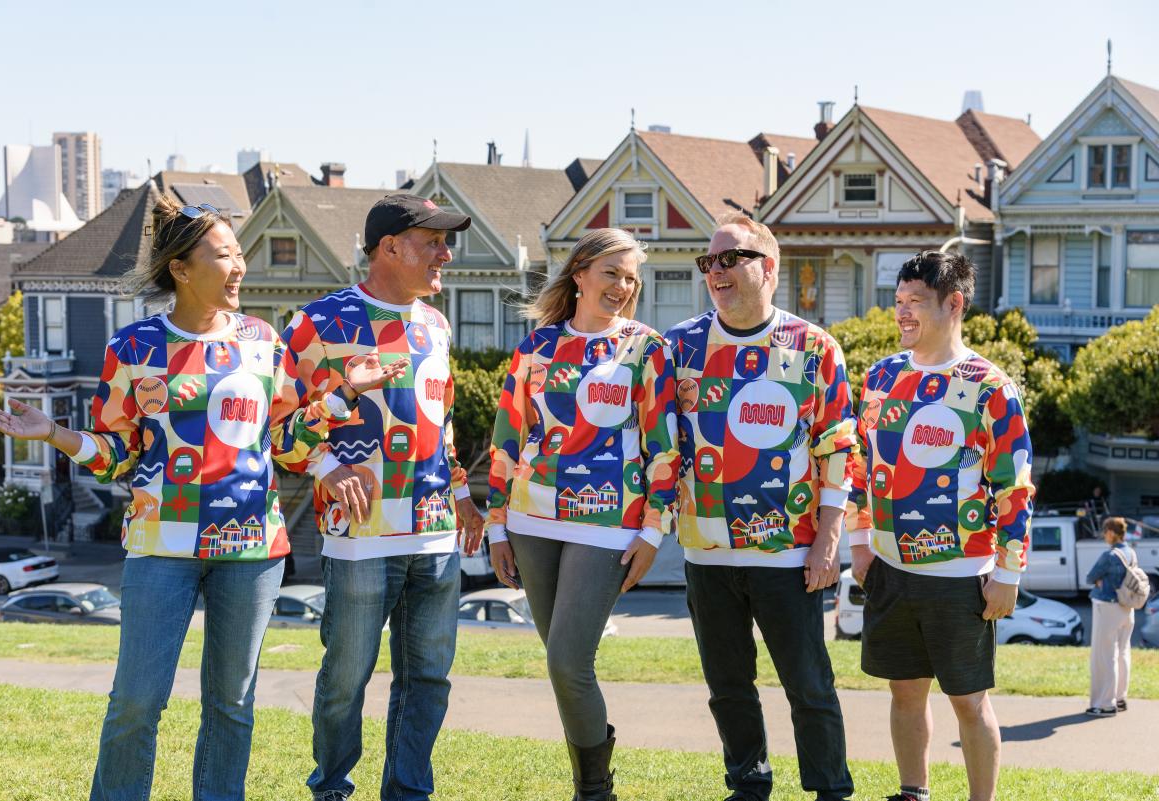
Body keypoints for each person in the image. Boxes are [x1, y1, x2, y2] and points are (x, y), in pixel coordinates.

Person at [0, 196, 369, 801]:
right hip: (161, 545)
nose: (239, 266)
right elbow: (118, 454)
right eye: (224, 255)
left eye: (238, 253)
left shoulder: (264, 342)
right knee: (137, 701)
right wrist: (53, 432)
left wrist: (342, 397)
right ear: (181, 269)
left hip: (251, 549)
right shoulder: (132, 348)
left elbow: (286, 445)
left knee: (232, 704)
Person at [272, 193, 485, 801]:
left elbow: (439, 422)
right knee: (346, 679)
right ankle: (332, 788)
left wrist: (462, 493)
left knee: (429, 680)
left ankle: (408, 793)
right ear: (389, 247)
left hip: (436, 534)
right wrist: (325, 465)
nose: (446, 254)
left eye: (446, 242)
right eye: (433, 242)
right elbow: (278, 432)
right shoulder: (318, 323)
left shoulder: (436, 325)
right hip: (359, 539)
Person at [665, 213, 855, 801]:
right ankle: (748, 785)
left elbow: (837, 449)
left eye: (730, 259)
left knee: (809, 685)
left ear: (767, 267)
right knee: (727, 687)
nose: (715, 271)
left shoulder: (815, 347)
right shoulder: (678, 347)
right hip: (707, 552)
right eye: (708, 262)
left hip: (788, 553)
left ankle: (829, 789)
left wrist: (828, 541)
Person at [486, 227, 679, 801]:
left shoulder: (646, 349)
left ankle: (595, 792)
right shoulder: (536, 347)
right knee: (559, 665)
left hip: (610, 523)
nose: (623, 286)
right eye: (611, 273)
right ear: (579, 276)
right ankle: (590, 782)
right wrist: (497, 526)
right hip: (531, 521)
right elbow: (507, 436)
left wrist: (654, 530)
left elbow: (664, 447)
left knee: (570, 662)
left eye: (631, 278)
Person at [848, 251, 1034, 801]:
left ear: (953, 304)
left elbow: (1015, 486)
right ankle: (914, 792)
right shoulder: (882, 376)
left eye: (916, 302)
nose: (902, 313)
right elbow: (861, 464)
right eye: (898, 301)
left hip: (962, 576)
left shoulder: (990, 386)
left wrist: (1009, 572)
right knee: (904, 692)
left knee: (969, 701)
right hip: (890, 570)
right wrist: (860, 542)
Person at [1085, 516, 1135, 716]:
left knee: (1105, 657)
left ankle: (1105, 704)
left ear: (1112, 533)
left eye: (1105, 532)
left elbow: (1090, 577)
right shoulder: (1130, 552)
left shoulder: (1109, 555)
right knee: (1123, 654)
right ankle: (1120, 698)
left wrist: (1101, 582)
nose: (1104, 535)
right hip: (1127, 608)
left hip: (1107, 608)